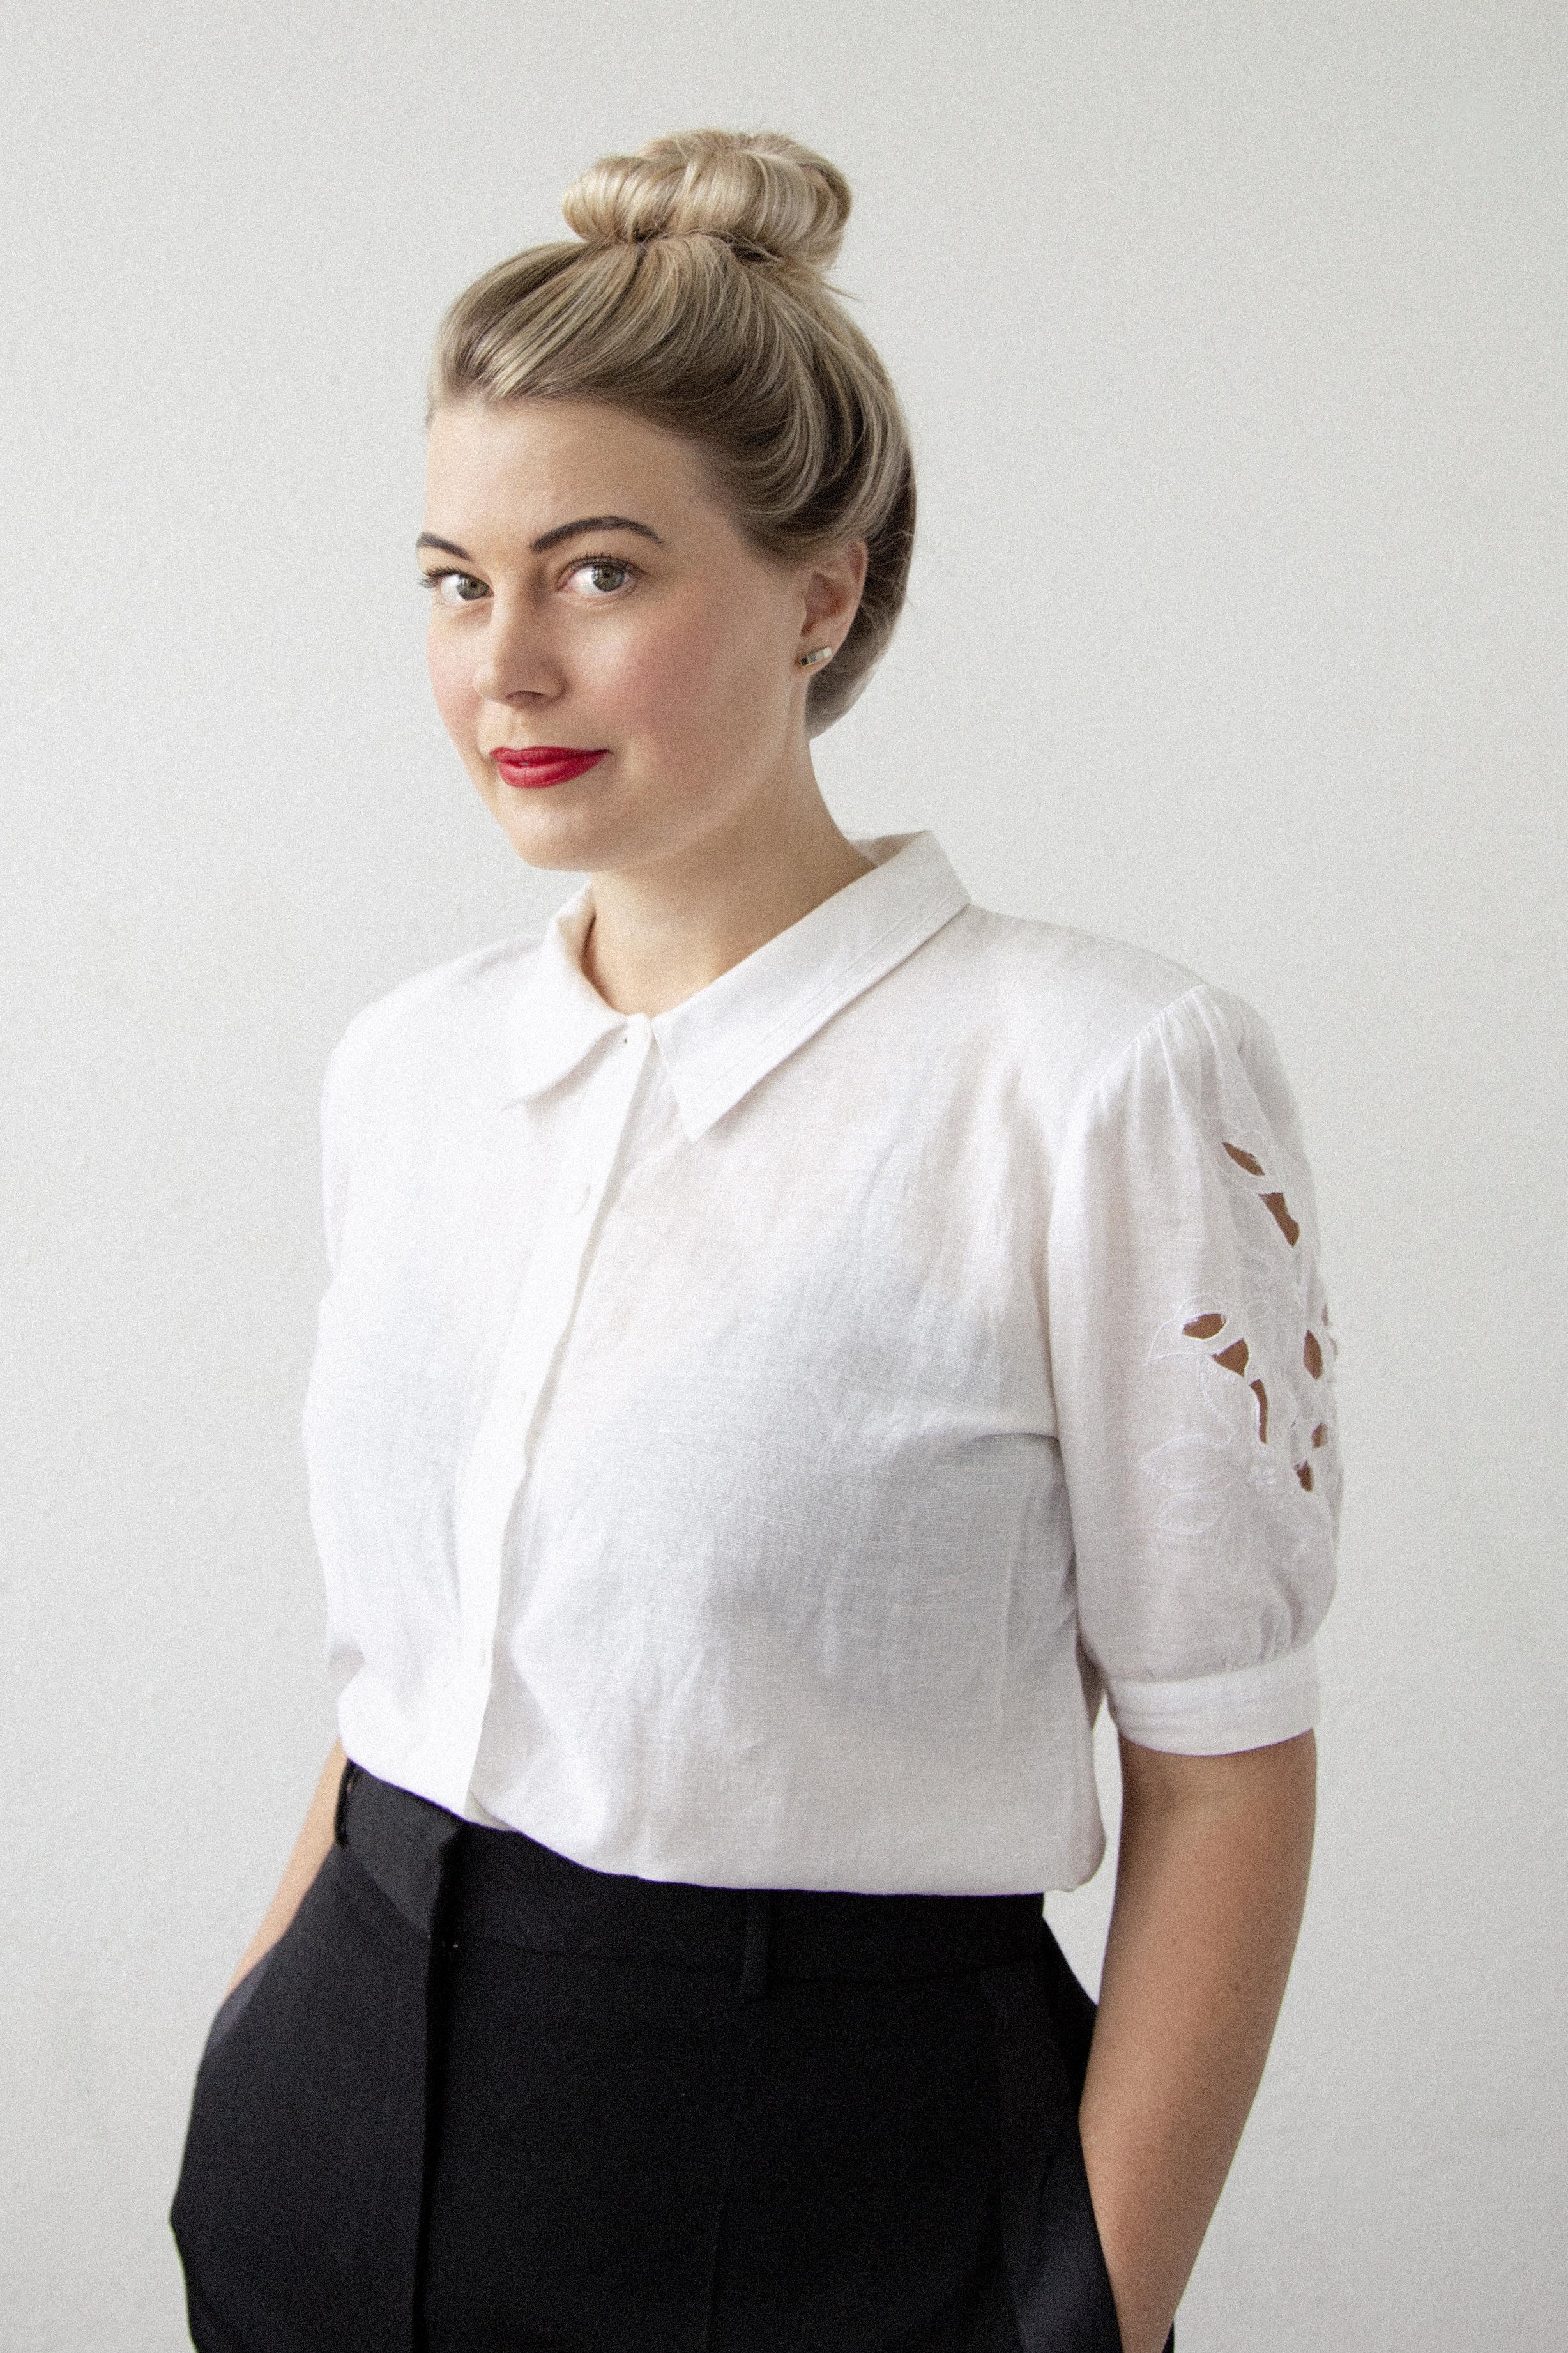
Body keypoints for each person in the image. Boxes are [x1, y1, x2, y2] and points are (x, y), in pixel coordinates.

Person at [168, 128, 1339, 2353]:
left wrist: (1085, 2306)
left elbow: (1224, 1768)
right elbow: (396, 1662)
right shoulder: (405, 1070)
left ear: (825, 589)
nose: (503, 660)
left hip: (833, 2186)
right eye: (449, 576)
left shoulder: (1096, 1076)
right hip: (333, 2133)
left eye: (597, 572)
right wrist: (259, 2040)